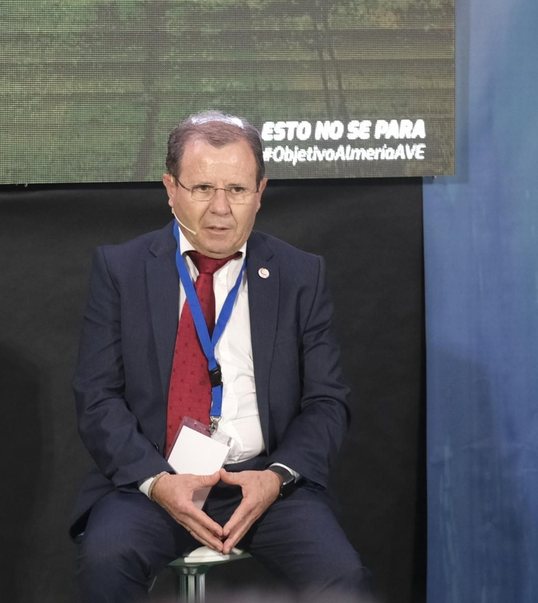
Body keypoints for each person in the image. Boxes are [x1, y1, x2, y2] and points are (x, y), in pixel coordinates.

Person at [69, 111, 370, 602]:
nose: (220, 208)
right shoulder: (121, 270)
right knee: (107, 564)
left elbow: (327, 401)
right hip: (154, 484)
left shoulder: (300, 274)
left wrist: (275, 479)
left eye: (237, 189)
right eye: (202, 187)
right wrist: (156, 483)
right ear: (170, 188)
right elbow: (96, 396)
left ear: (260, 192)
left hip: (265, 481)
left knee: (342, 578)